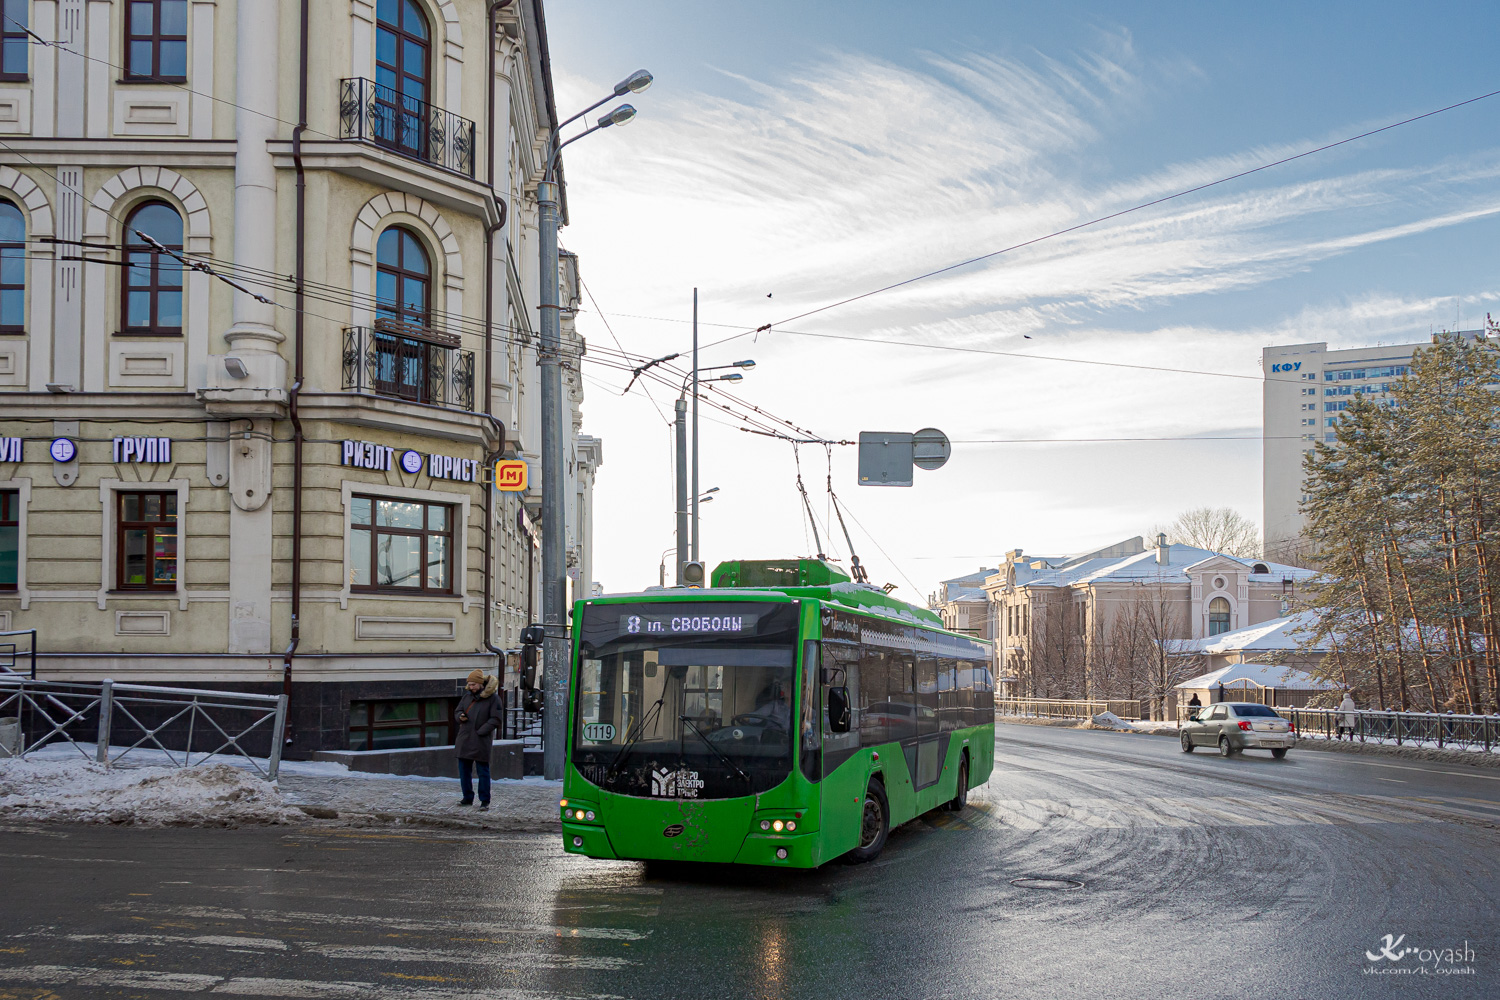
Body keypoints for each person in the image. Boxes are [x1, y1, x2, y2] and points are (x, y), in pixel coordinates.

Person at [455, 669, 501, 810]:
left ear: (481, 684)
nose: (471, 687)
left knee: (483, 772)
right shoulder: (467, 697)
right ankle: (467, 797)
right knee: (464, 772)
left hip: (481, 740)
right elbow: (457, 711)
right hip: (465, 739)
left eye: (474, 684)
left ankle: (484, 800)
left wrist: (481, 731)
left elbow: (496, 719)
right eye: (469, 684)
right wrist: (460, 716)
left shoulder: (493, 699)